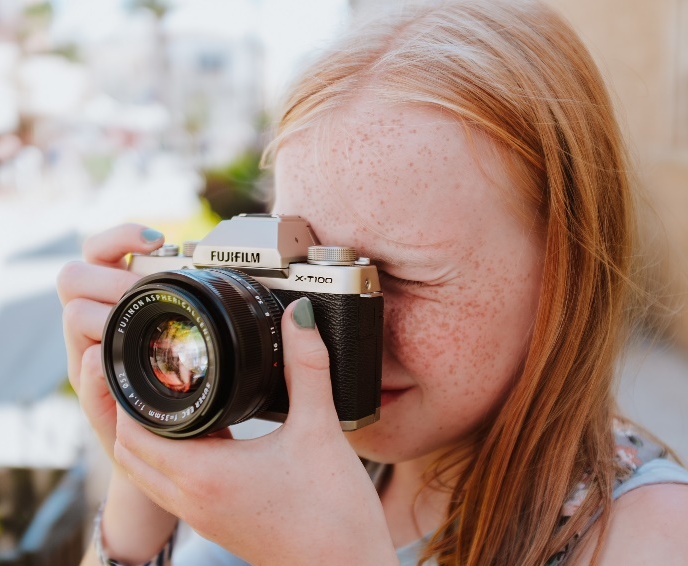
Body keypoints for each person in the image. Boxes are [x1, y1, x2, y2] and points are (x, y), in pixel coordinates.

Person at [57, 1, 688, 564]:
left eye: (404, 276)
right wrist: (141, 492)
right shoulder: (292, 461)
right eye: (307, 272)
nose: (337, 343)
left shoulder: (650, 537)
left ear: (568, 266)